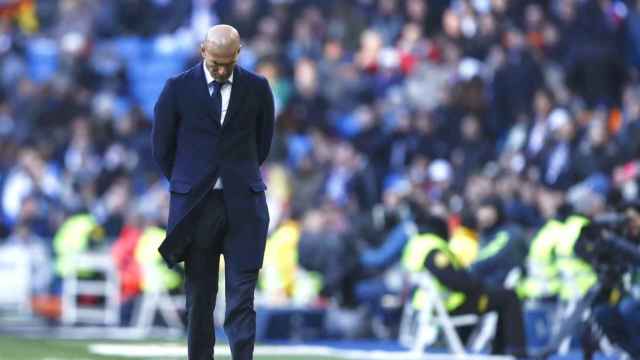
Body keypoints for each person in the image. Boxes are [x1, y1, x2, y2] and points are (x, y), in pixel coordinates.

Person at [151, 24, 274, 360]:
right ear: (203, 50)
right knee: (200, 300)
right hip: (197, 209)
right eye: (215, 62)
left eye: (227, 63)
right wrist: (189, 183)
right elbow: (161, 147)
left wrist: (235, 175)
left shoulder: (258, 88)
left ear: (239, 53)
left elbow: (263, 143)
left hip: (243, 206)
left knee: (241, 300)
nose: (221, 70)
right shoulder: (177, 89)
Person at [402, 215, 527, 357]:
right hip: (449, 305)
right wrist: (477, 283)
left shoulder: (417, 243)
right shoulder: (434, 248)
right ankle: (515, 352)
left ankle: (499, 351)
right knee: (508, 296)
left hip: (427, 304)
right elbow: (456, 282)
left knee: (500, 294)